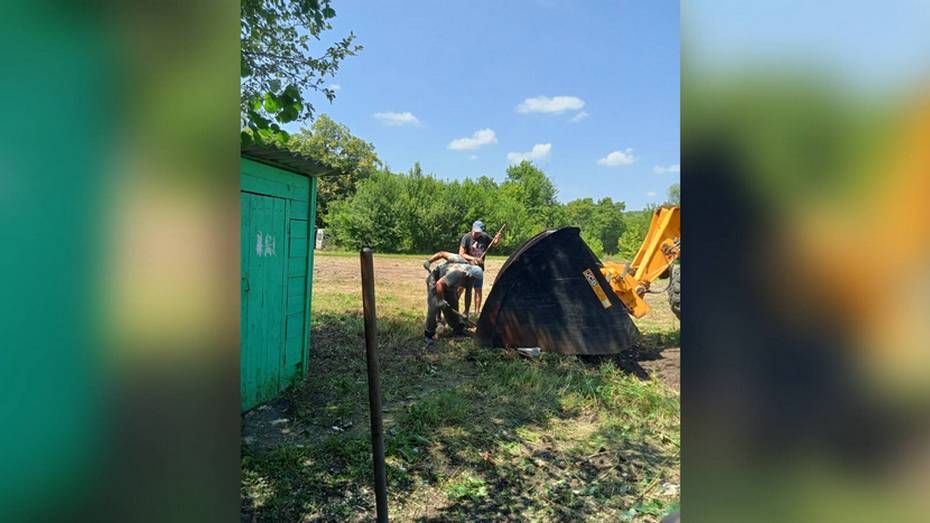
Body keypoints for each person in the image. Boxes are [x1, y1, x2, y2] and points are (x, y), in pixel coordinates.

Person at [424, 261, 478, 345]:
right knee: (434, 306)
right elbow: (439, 284)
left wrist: (466, 312)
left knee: (453, 305)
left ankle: (457, 329)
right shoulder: (457, 274)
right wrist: (441, 300)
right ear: (467, 275)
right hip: (435, 282)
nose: (472, 281)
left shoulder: (472, 278)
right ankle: (429, 334)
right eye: (472, 279)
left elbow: (468, 294)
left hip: (448, 286)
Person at [459, 220, 500, 316]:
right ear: (472, 228)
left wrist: (498, 239)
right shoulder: (466, 237)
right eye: (475, 231)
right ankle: (456, 308)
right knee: (461, 288)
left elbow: (494, 244)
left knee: (478, 289)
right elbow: (461, 254)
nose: (476, 234)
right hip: (467, 267)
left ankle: (477, 313)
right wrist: (474, 259)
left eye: (478, 232)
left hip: (479, 269)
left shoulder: (484, 237)